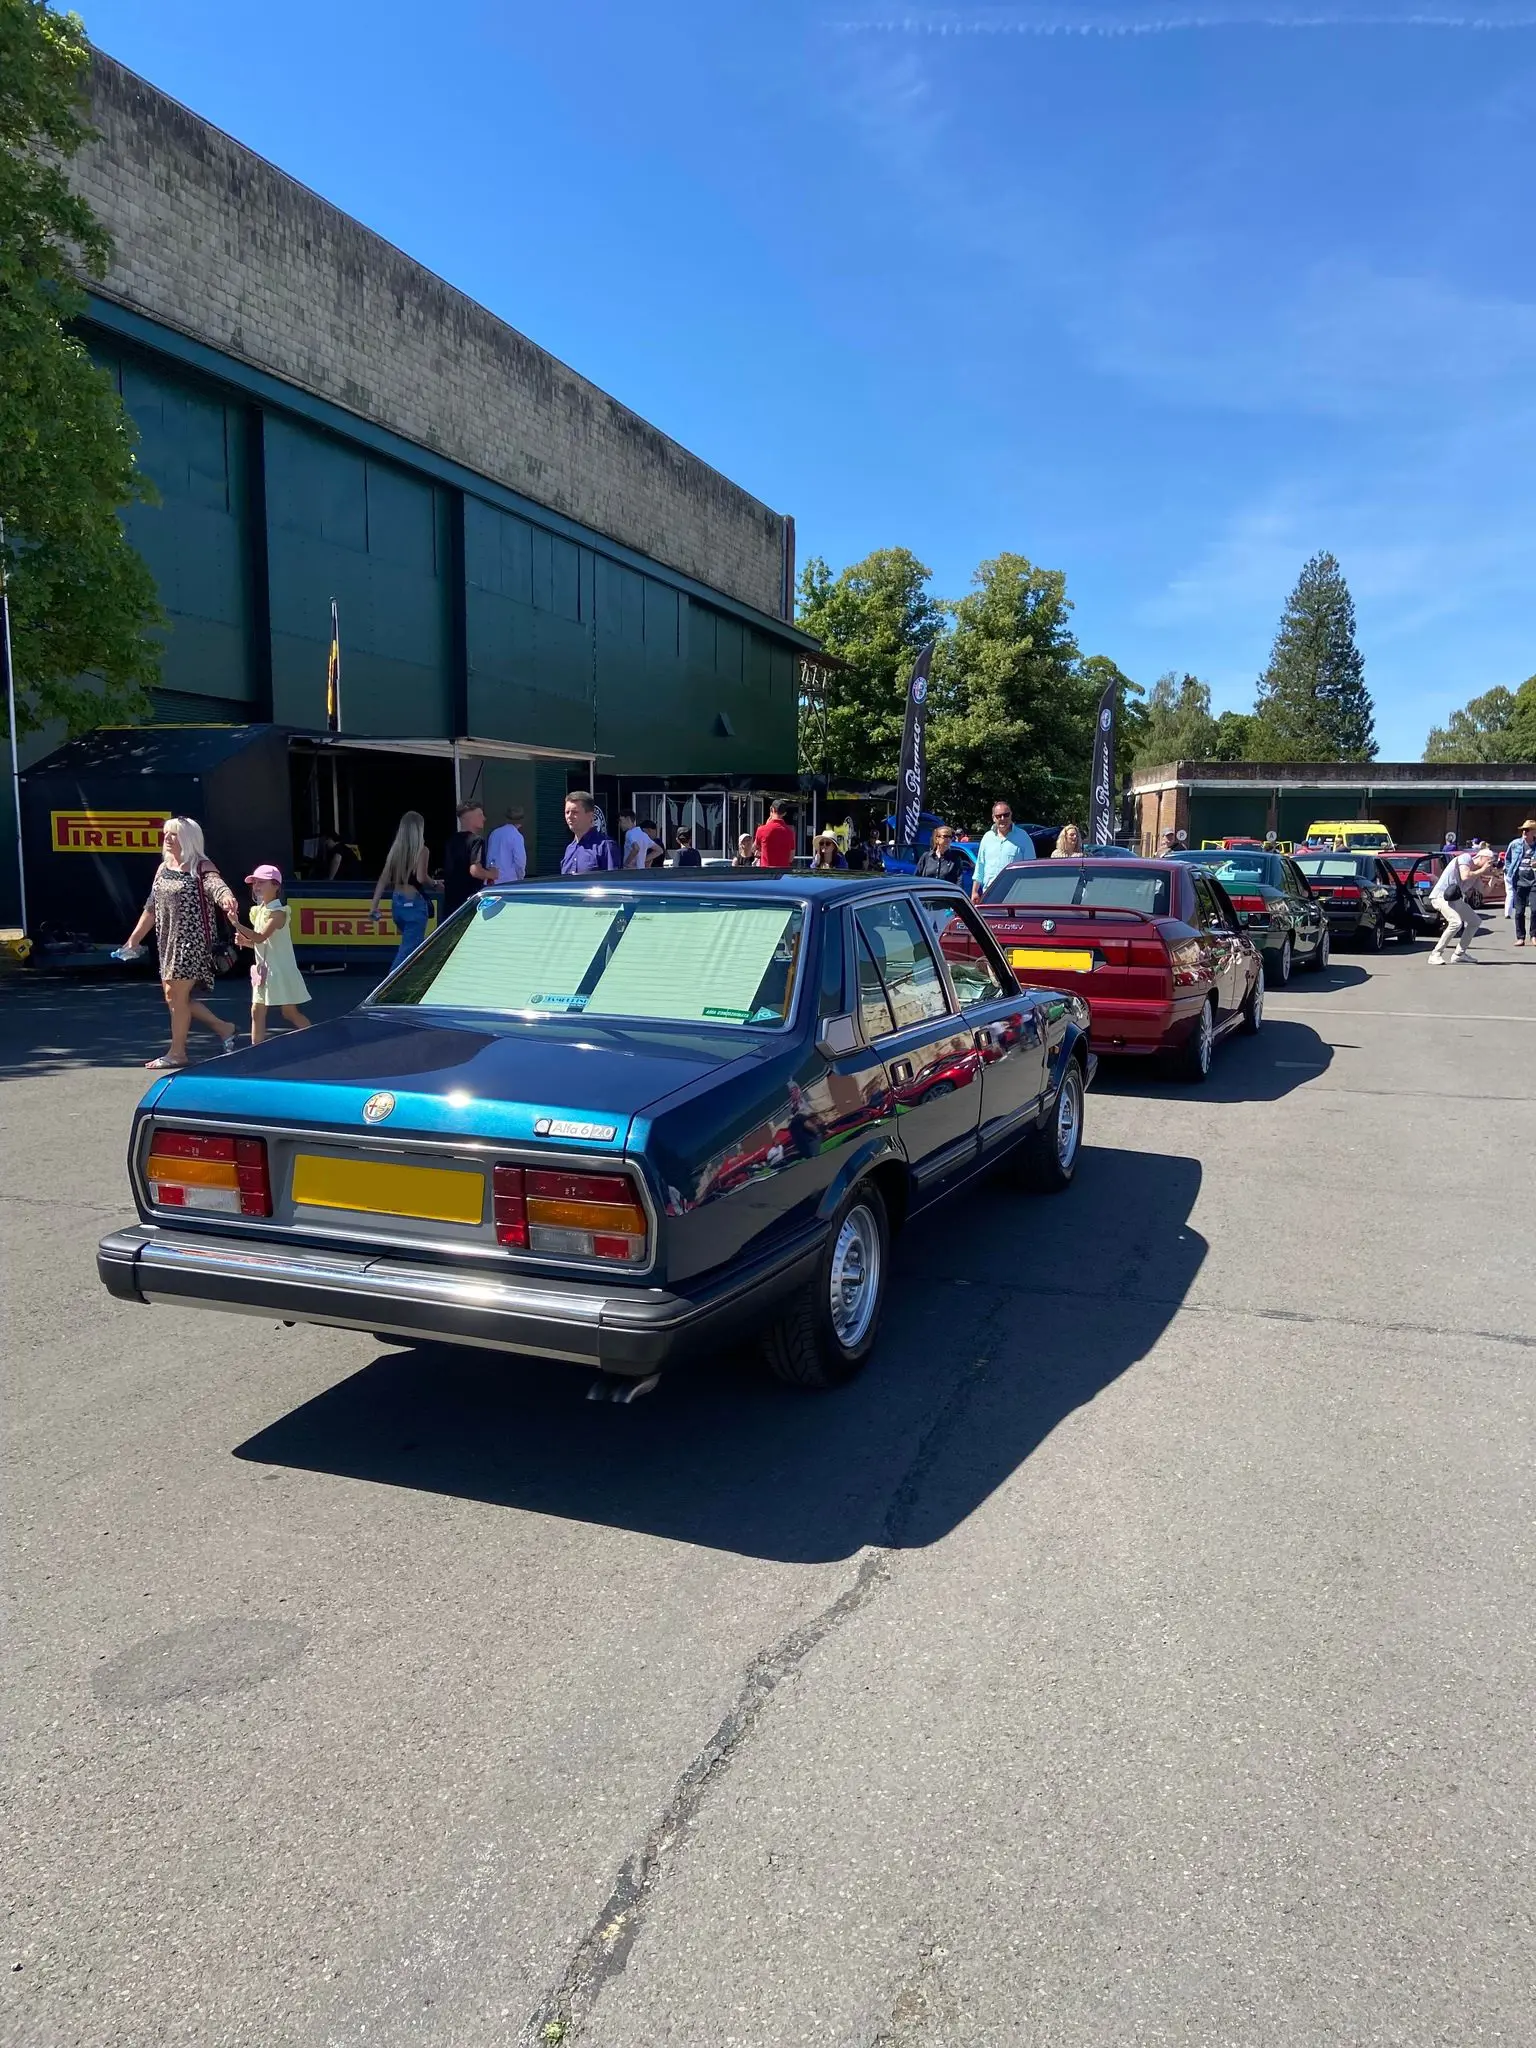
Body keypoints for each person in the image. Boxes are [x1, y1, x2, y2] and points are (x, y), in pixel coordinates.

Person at [117, 816, 240, 1068]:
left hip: (192, 942)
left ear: (188, 838)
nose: (168, 838)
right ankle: (224, 1028)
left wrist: (226, 897)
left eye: (174, 834)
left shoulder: (200, 865)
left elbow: (216, 885)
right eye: (166, 833)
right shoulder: (163, 868)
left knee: (176, 995)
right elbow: (151, 907)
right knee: (174, 997)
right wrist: (134, 940)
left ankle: (177, 1053)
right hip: (168, 941)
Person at [235, 864, 312, 1042]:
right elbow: (261, 944)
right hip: (263, 972)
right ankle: (255, 1051)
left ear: (276, 885)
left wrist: (237, 924)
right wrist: (245, 942)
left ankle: (313, 1038)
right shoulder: (259, 911)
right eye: (255, 883)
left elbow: (260, 937)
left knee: (289, 1013)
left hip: (280, 971)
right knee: (257, 1010)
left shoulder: (278, 914)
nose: (257, 886)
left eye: (262, 882)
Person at [369, 811, 436, 967]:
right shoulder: (422, 850)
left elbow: (382, 880)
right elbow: (421, 878)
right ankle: (390, 987)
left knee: (413, 949)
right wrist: (434, 883)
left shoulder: (395, 851)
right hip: (414, 904)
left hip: (397, 904)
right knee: (408, 952)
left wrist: (373, 907)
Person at [1428, 845, 1497, 964]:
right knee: (1456, 922)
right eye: (1490, 861)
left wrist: (1494, 877)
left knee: (1475, 921)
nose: (1491, 865)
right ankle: (1435, 954)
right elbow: (1465, 876)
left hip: (1454, 899)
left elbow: (1485, 892)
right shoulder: (1465, 858)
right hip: (1440, 896)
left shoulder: (1476, 875)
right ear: (1481, 857)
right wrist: (1482, 870)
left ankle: (1459, 954)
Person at [971, 801, 1035, 903]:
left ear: (1011, 815)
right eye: (998, 816)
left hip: (1014, 895)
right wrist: (974, 891)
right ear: (993, 818)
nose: (1002, 819)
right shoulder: (987, 838)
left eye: (1006, 815)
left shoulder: (1023, 837)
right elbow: (980, 866)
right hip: (989, 894)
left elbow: (1030, 869)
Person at [443, 801, 496, 914]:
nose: (484, 818)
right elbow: (475, 871)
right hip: (469, 901)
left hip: (450, 902)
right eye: (480, 815)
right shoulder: (477, 840)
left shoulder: (450, 840)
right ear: (469, 818)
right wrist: (492, 874)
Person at [560, 790, 620, 875]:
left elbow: (612, 882)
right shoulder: (569, 849)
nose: (569, 816)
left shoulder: (605, 846)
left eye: (575, 812)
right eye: (567, 812)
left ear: (591, 816)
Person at [1504, 819, 1536, 946]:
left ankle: (1533, 935)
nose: (1524, 832)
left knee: (1535, 910)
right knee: (1519, 911)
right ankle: (1520, 937)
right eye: (1523, 829)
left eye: (1527, 830)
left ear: (1534, 832)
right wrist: (1508, 871)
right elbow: (1508, 859)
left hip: (1534, 882)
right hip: (1519, 881)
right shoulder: (1515, 844)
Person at [486, 806, 527, 884]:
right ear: (522, 821)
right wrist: (521, 877)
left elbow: (490, 856)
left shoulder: (494, 833)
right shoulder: (516, 836)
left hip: (491, 880)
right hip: (508, 881)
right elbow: (520, 861)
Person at [754, 799, 797, 870]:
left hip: (766, 874)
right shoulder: (790, 832)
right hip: (783, 874)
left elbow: (754, 848)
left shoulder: (761, 829)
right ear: (784, 813)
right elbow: (791, 858)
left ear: (772, 809)